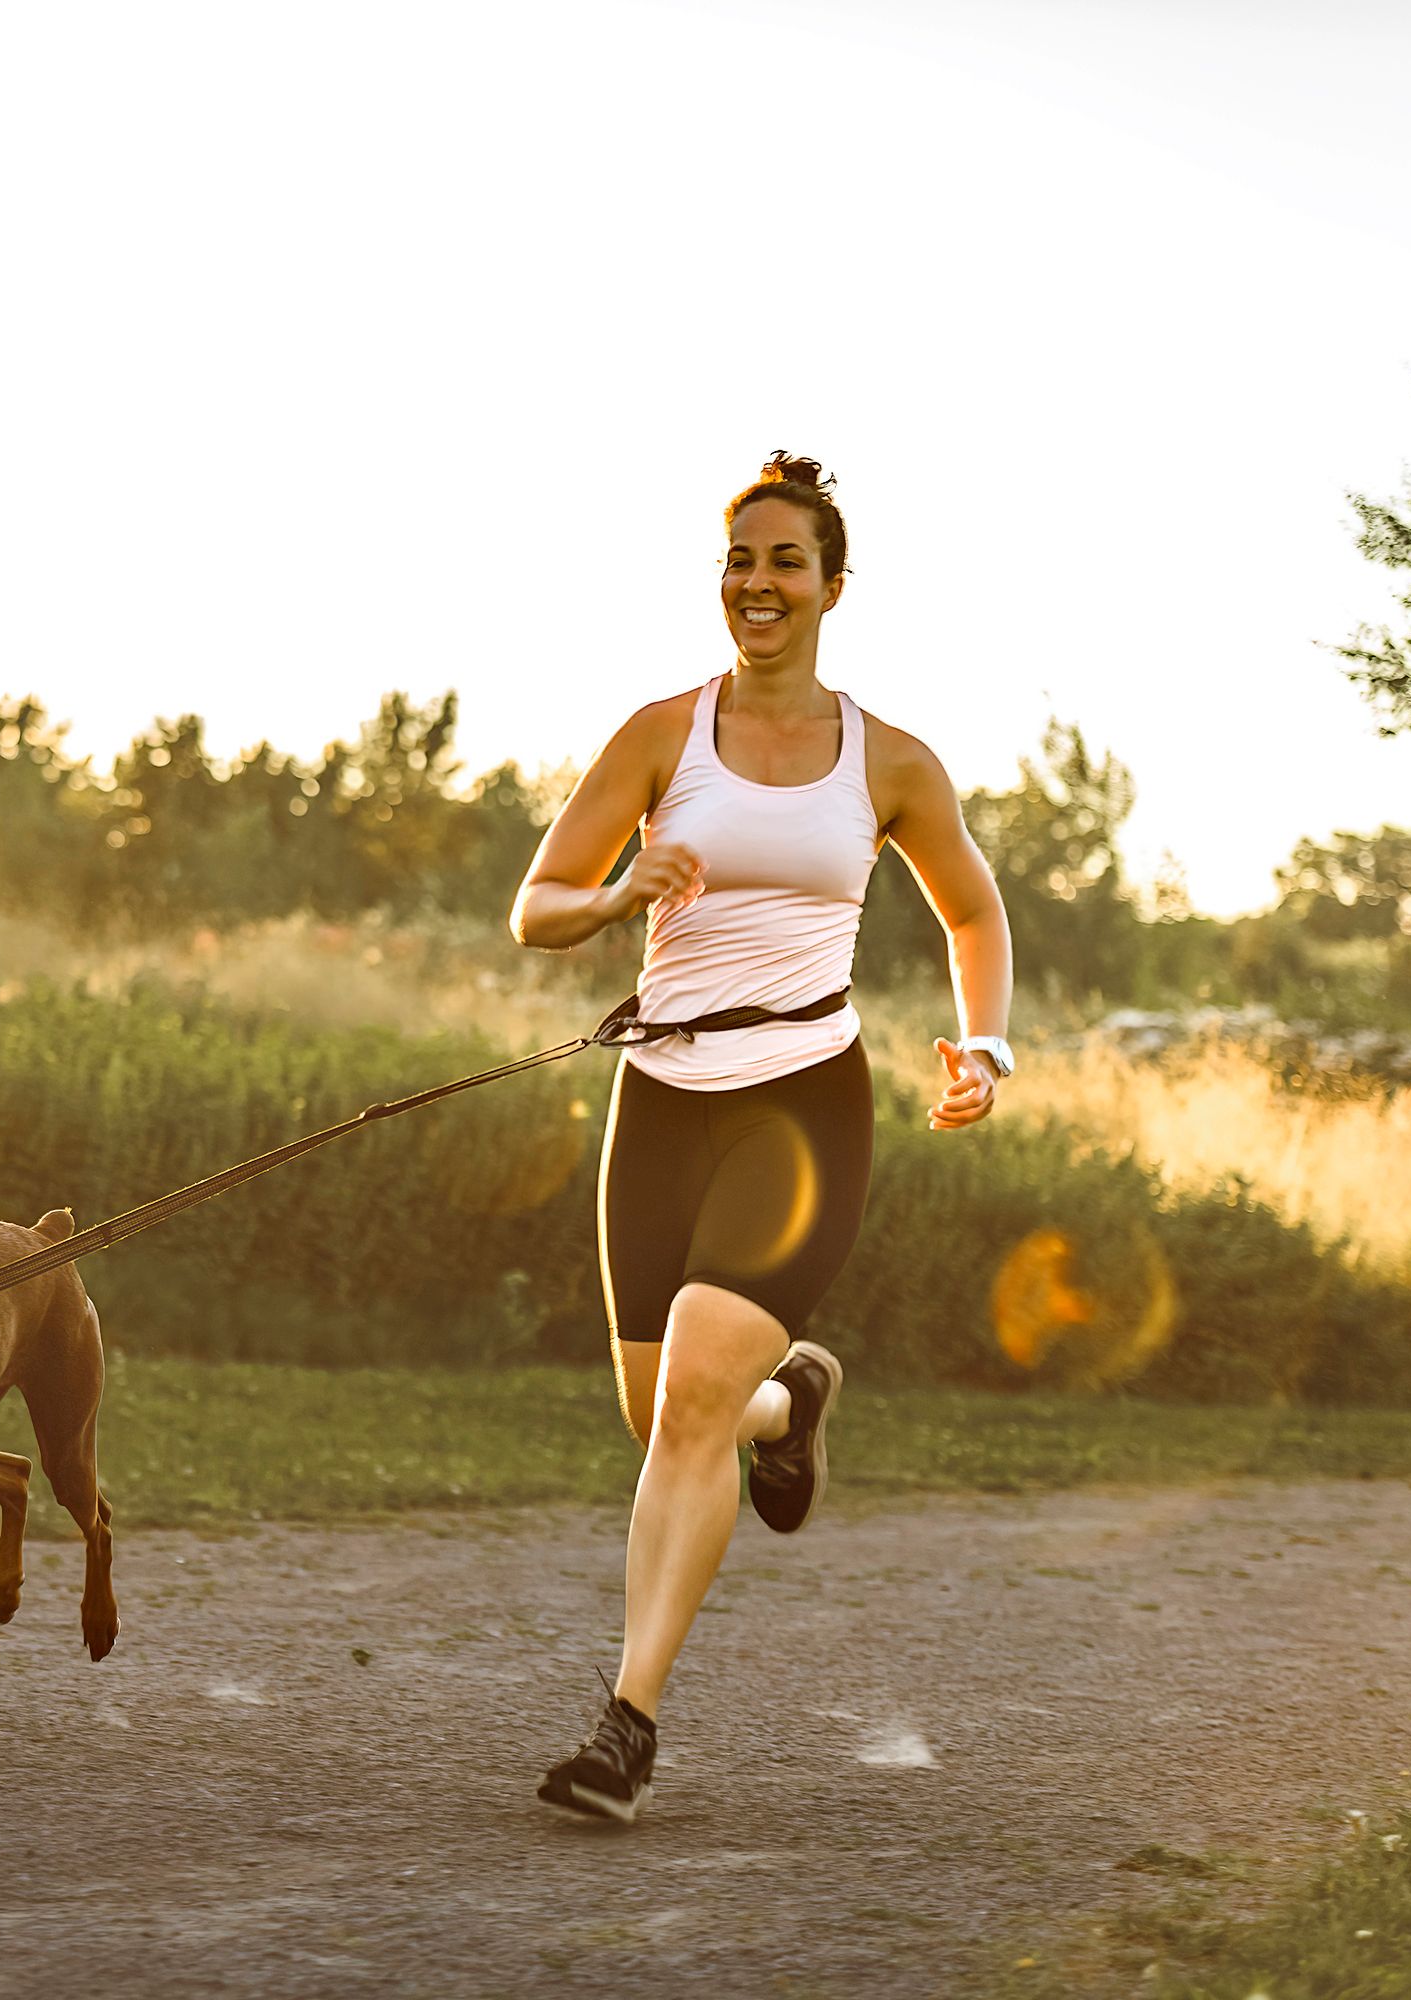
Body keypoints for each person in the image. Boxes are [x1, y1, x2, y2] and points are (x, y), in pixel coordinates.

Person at [507, 450, 1014, 1823]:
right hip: (662, 1100)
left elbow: (972, 912)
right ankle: (791, 1402)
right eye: (741, 559)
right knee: (660, 1410)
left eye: (786, 561)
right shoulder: (660, 736)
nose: (758, 583)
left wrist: (985, 1044)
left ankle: (627, 1727)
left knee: (684, 1415)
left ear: (833, 586)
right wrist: (621, 899)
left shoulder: (890, 761)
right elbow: (536, 903)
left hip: (803, 1106)